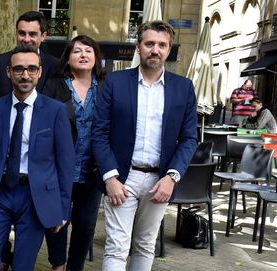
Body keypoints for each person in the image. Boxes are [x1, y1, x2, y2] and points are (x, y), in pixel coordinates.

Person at [92, 20, 198, 271]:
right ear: (138, 47)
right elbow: (99, 133)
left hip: (159, 181)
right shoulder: (114, 82)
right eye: (149, 43)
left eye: (162, 45)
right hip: (121, 179)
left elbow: (189, 138)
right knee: (117, 247)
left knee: (145, 245)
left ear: (169, 49)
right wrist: (110, 177)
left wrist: (172, 177)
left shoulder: (184, 88)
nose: (155, 50)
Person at [0, 45, 75, 271]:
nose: (25, 75)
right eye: (19, 69)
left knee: (23, 266)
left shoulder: (55, 110)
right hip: (0, 193)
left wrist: (61, 209)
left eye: (32, 69)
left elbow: (65, 164)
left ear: (39, 72)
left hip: (34, 196)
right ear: (8, 72)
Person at [43, 35, 107, 271]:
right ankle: (58, 264)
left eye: (88, 50)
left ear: (96, 58)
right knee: (57, 221)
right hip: (60, 169)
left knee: (86, 225)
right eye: (77, 51)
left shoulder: (106, 87)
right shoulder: (53, 85)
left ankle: (75, 267)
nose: (83, 55)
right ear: (67, 58)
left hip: (92, 169)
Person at [0, 11, 59, 100]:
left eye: (32, 34)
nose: (26, 39)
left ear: (43, 36)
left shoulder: (54, 66)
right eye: (22, 33)